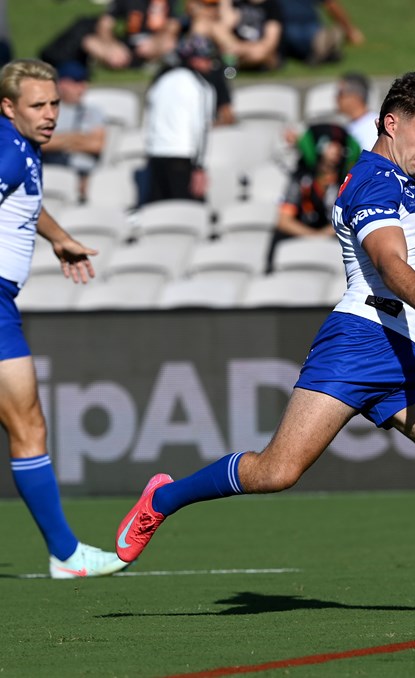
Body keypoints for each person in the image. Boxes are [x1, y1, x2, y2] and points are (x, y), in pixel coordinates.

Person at [114, 71, 415, 611]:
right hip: (360, 342)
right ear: (392, 123)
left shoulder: (401, 183)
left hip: (406, 358)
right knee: (276, 472)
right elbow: (388, 259)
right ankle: (162, 498)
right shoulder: (374, 180)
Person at [0, 59, 127, 578]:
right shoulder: (7, 152)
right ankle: (66, 554)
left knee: (27, 424)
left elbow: (23, 202)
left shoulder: (21, 147)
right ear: (8, 107)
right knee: (28, 425)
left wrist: (58, 238)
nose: (51, 114)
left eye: (55, 103)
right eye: (38, 105)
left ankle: (65, 553)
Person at [265, 122, 360, 272]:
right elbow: (284, 221)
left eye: (339, 145)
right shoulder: (301, 178)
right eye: (331, 144)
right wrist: (313, 236)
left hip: (334, 234)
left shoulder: (347, 180)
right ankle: (270, 272)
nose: (337, 150)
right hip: (305, 231)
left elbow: (349, 218)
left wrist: (324, 234)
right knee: (278, 235)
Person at [143, 35, 217, 204]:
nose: (211, 63)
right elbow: (201, 128)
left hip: (155, 154)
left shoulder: (161, 81)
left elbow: (147, 120)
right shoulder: (201, 86)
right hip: (182, 157)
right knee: (186, 212)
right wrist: (199, 167)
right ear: (195, 59)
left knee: (157, 211)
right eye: (207, 58)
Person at [41, 61, 107, 203]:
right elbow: (38, 143)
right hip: (53, 174)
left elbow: (97, 145)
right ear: (61, 84)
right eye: (77, 82)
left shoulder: (94, 112)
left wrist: (58, 140)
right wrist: (78, 138)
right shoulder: (45, 111)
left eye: (84, 82)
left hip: (86, 175)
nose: (83, 87)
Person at [82, 0, 182, 70]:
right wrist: (111, 44)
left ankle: (153, 62)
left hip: (154, 43)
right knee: (90, 42)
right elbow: (105, 24)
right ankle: (115, 60)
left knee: (169, 43)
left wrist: (155, 40)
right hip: (128, 45)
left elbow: (173, 25)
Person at [277, 0, 365, 66]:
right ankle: (321, 48)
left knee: (278, 35)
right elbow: (332, 6)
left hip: (282, 31)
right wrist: (350, 31)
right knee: (322, 35)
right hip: (309, 28)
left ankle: (317, 48)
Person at [212, 0, 282, 72]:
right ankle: (232, 61)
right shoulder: (238, 3)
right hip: (235, 46)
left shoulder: (272, 6)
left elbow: (270, 42)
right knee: (214, 28)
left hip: (256, 49)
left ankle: (230, 62)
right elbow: (223, 26)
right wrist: (226, 3)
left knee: (260, 53)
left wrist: (241, 48)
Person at [336, 71, 379, 151]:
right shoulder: (348, 127)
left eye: (340, 93)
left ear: (355, 96)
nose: (336, 97)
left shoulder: (375, 126)